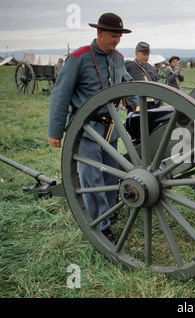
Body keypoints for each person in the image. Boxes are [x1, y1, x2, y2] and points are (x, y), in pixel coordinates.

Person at [47, 12, 136, 243]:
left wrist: (138, 106)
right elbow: (60, 96)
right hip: (86, 129)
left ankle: (109, 212)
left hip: (112, 129)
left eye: (119, 36)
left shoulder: (117, 58)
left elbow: (126, 82)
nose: (117, 40)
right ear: (99, 33)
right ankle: (100, 226)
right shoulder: (79, 57)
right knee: (92, 179)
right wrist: (55, 132)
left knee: (109, 176)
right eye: (113, 35)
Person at [125, 41, 163, 109]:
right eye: (144, 54)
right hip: (137, 104)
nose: (146, 57)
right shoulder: (129, 66)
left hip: (153, 104)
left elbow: (157, 86)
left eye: (148, 54)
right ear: (136, 53)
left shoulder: (151, 68)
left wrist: (160, 104)